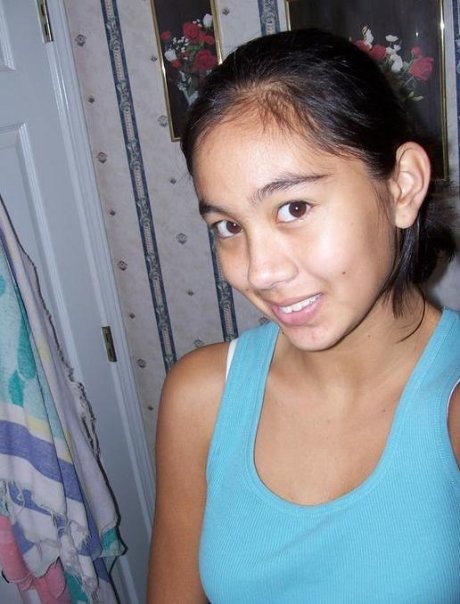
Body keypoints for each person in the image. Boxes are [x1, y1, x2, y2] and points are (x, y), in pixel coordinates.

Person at [147, 28, 460, 603]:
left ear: (402, 186)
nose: (259, 271)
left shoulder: (452, 408)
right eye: (229, 226)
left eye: (294, 207)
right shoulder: (201, 398)